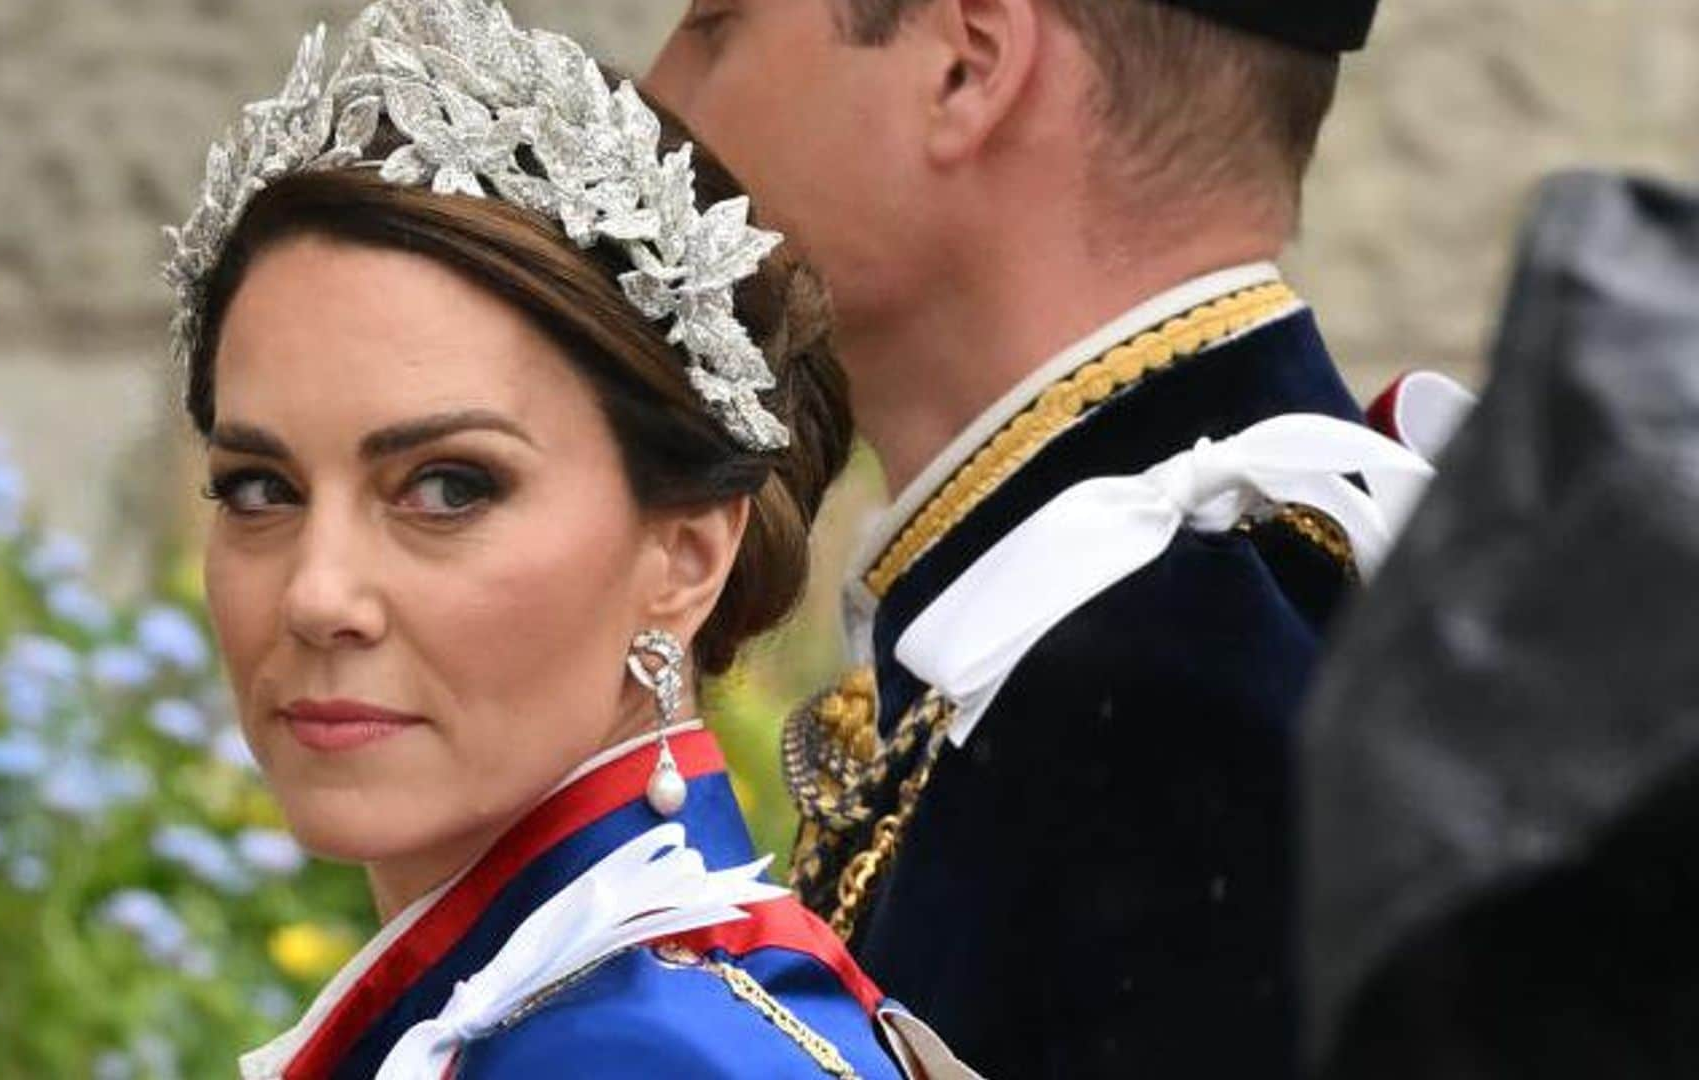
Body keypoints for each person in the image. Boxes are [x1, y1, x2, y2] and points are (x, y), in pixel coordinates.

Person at [163, 2, 968, 1076]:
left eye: (447, 487)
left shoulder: (641, 1052)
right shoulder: (579, 1013)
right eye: (261, 488)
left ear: (684, 558)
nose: (318, 594)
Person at [648, 1, 1427, 1077]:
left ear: (965, 69)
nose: (657, 91)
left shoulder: (1173, 695)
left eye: (715, 22)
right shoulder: (1163, 622)